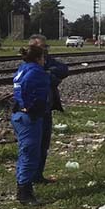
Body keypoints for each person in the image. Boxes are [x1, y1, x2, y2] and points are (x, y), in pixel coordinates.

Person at [11, 45, 51, 206]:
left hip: (20, 115)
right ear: (38, 58)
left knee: (25, 152)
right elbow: (28, 88)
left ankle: (23, 184)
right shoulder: (36, 72)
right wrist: (30, 106)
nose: (45, 60)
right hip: (29, 117)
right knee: (30, 153)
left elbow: (19, 87)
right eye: (43, 57)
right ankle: (24, 192)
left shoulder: (24, 68)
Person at [28, 34, 69, 184]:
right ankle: (27, 181)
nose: (45, 50)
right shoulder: (29, 66)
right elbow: (42, 80)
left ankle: (38, 175)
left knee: (44, 144)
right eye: (42, 47)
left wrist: (49, 73)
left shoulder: (47, 61)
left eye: (46, 47)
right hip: (34, 112)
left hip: (46, 109)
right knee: (33, 146)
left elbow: (63, 69)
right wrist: (48, 77)